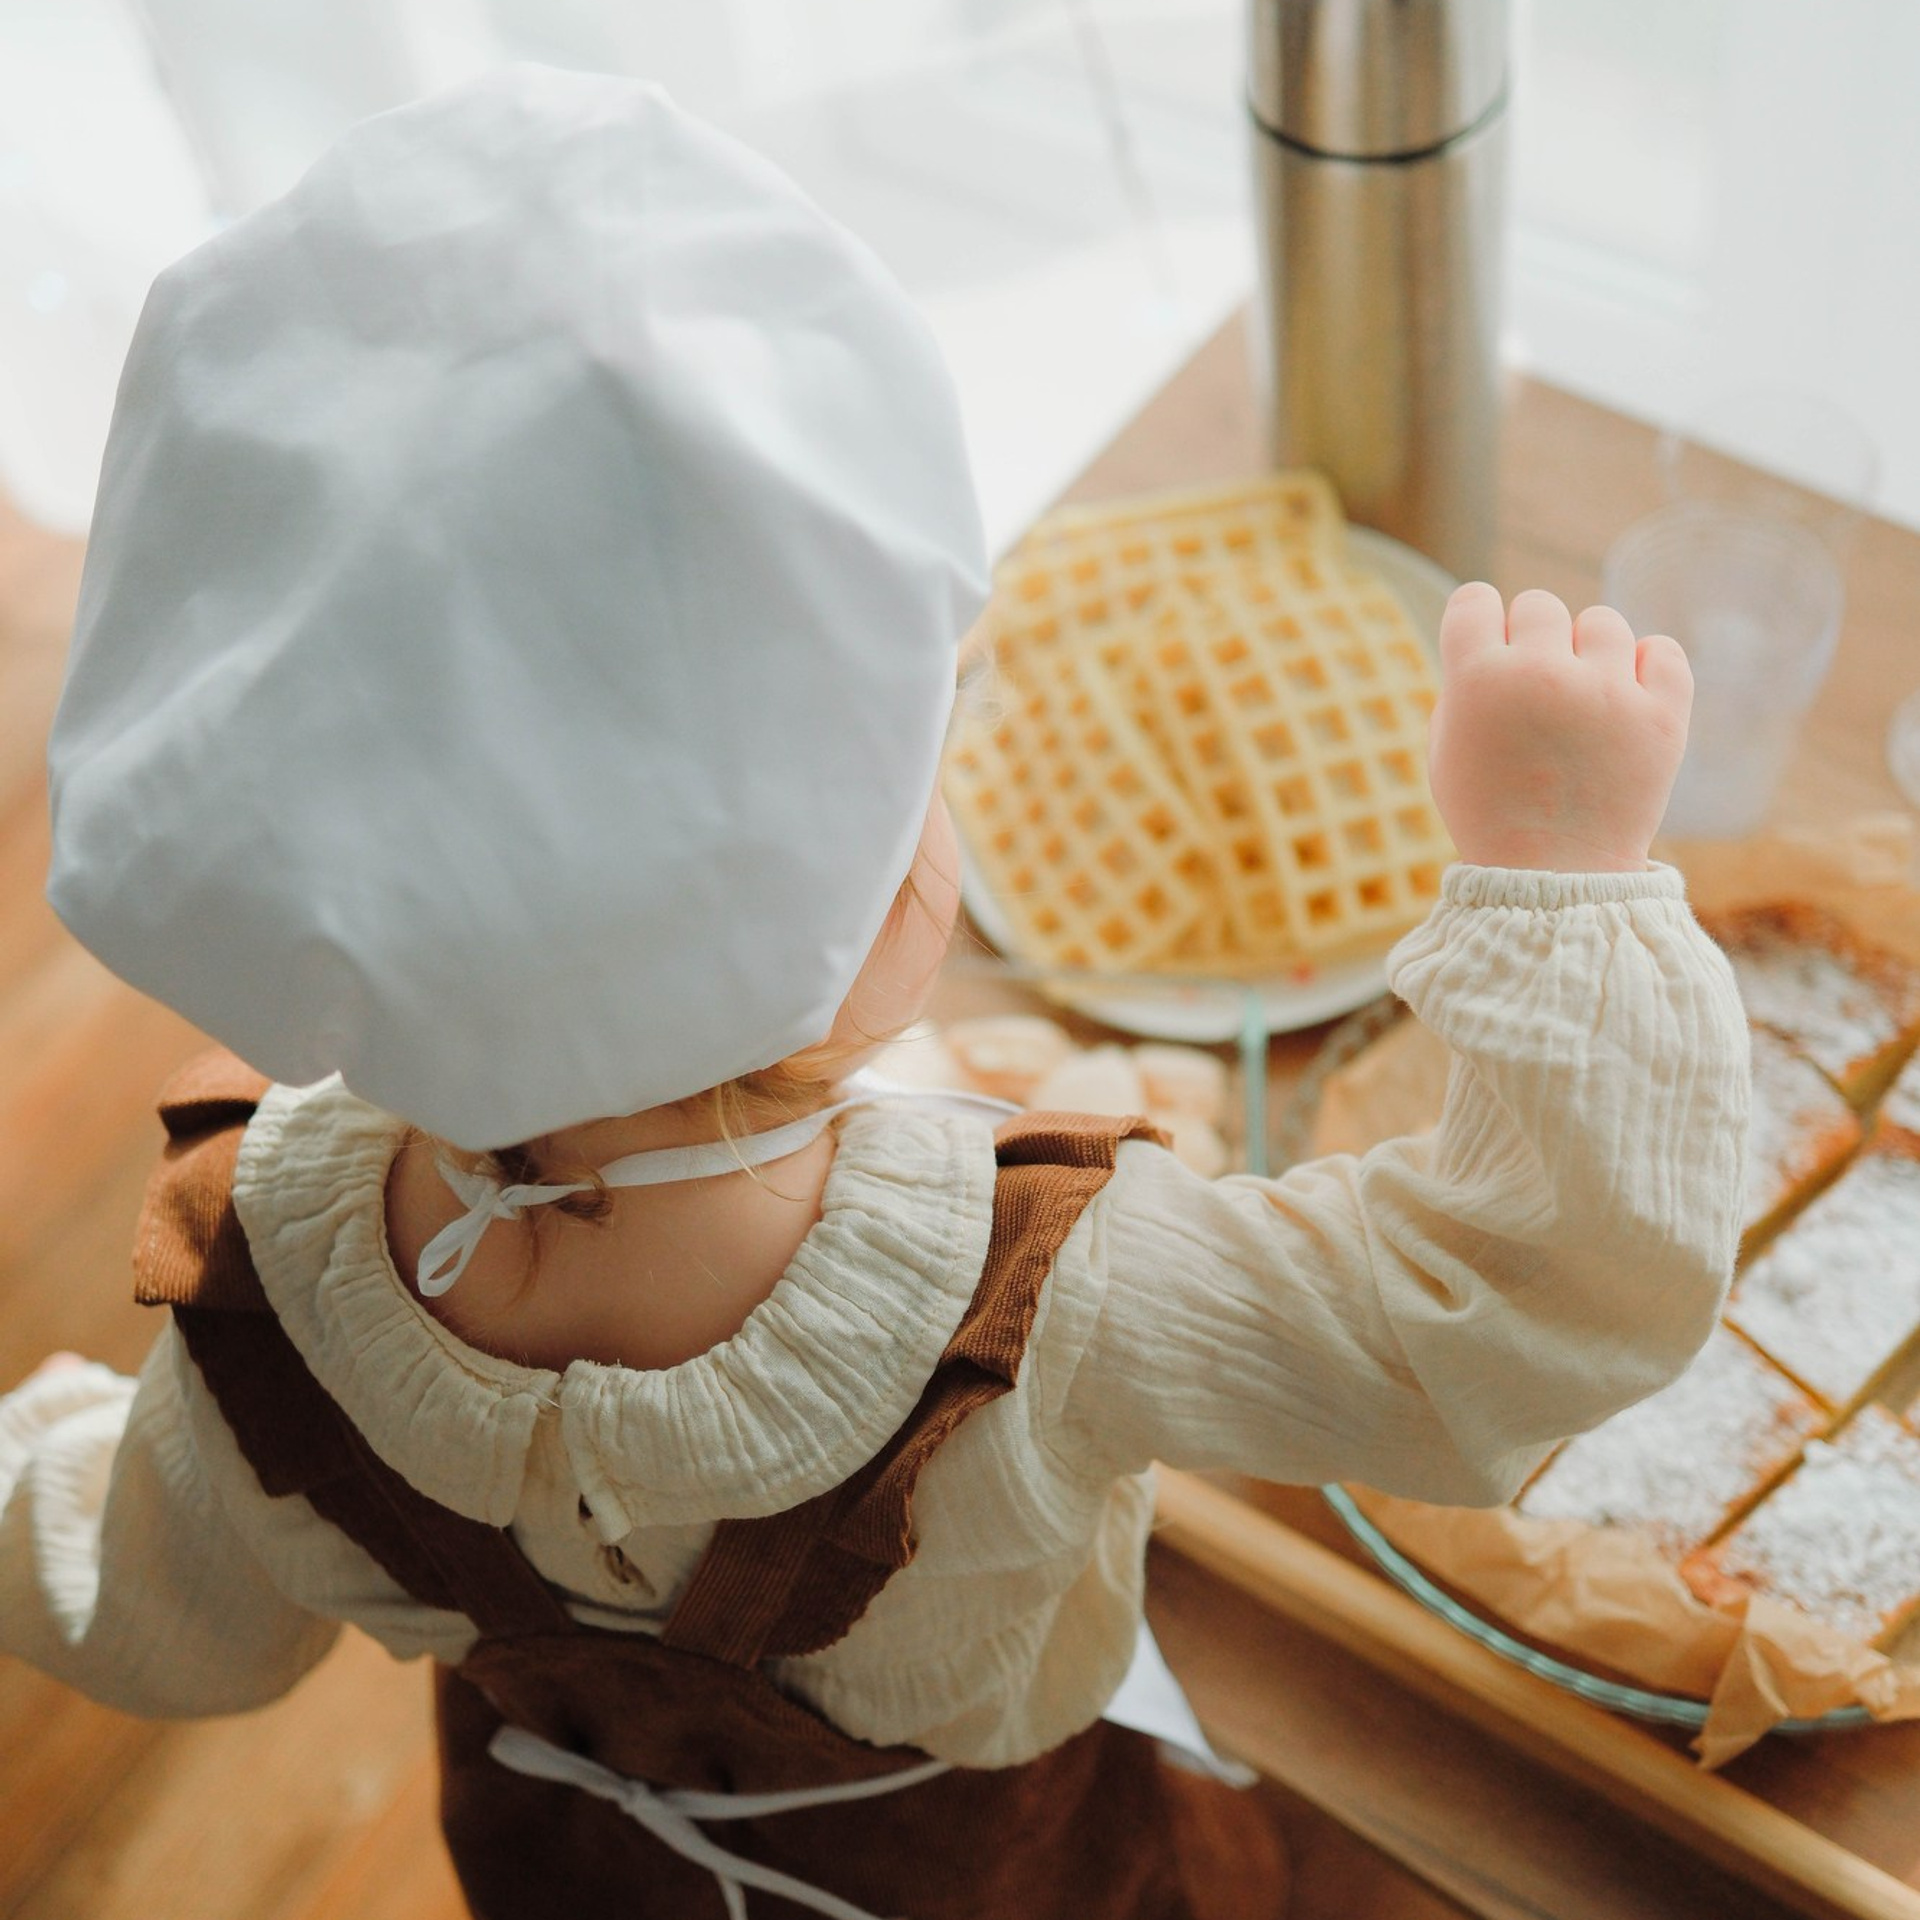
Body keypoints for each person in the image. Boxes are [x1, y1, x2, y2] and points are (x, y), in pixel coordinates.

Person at [0, 64, 1746, 1920]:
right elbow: (1502, 1324)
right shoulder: (1047, 1290)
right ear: (851, 911)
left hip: (573, 1872)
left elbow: (162, 1615)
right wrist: (1559, 880)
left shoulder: (265, 1295)